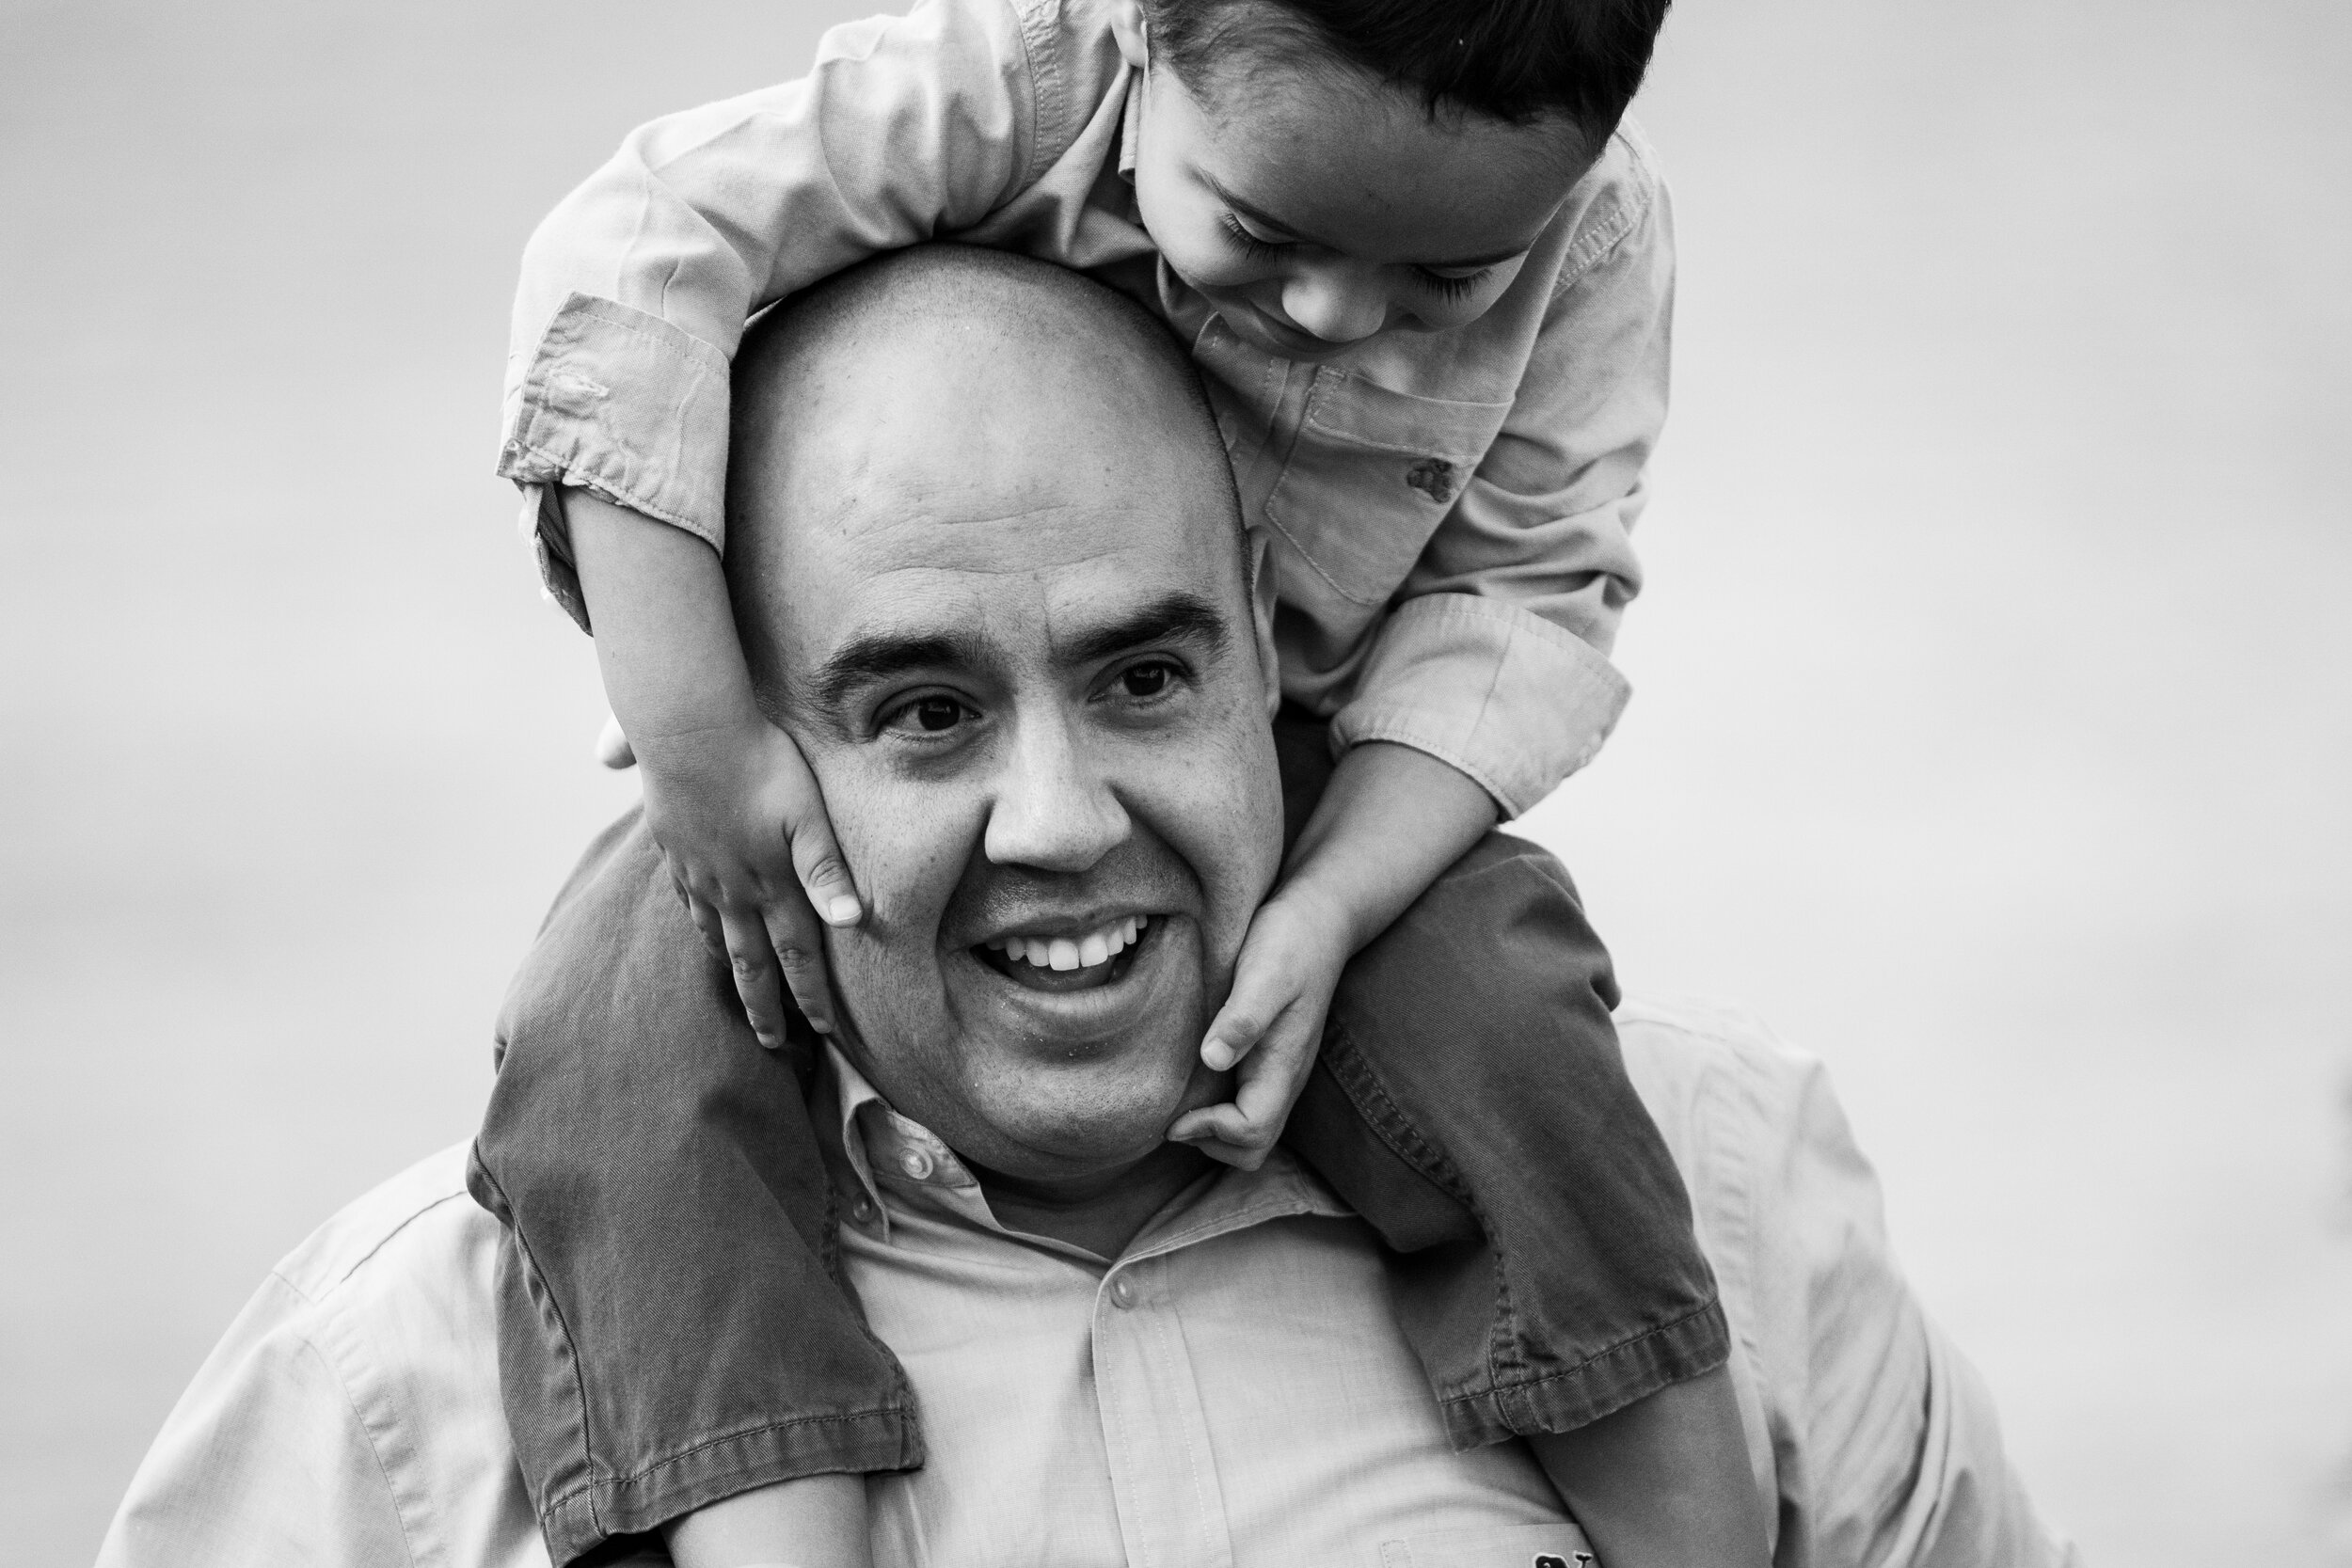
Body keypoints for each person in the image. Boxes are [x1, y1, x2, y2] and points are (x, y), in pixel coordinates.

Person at [101, 246, 2078, 1568]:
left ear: (1275, 657)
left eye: (1143, 679)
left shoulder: (1719, 1219)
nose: (1055, 821)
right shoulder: (407, 1391)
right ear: (737, 756)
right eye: (923, 712)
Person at [495, 1, 1735, 1562]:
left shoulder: (1598, 239)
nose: (1343, 313)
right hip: (822, 755)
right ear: (1151, 41)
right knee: (614, 1037)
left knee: (1502, 1008)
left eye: (1448, 278)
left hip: (1289, 751)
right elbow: (626, 262)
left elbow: (1528, 598)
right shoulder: (1010, 83)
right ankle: (762, 1504)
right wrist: (701, 739)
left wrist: (1339, 897)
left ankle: (1686, 1503)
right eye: (1264, 229)